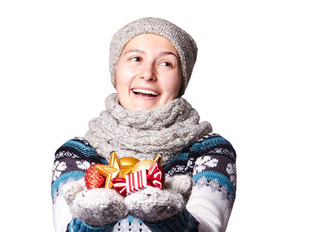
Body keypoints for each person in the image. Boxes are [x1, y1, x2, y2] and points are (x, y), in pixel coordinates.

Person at [51, 17, 236, 232]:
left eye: (166, 63)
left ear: (181, 79)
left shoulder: (210, 149)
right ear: (116, 70)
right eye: (135, 58)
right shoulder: (76, 153)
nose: (148, 74)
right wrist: (92, 220)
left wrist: (166, 218)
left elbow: (209, 228)